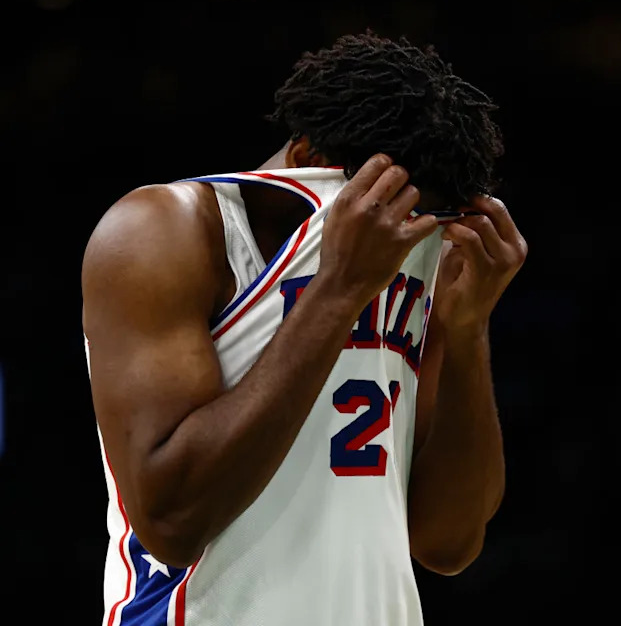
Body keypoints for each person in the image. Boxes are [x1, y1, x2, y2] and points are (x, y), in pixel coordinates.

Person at [81, 32, 526, 625]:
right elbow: (171, 522)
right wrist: (339, 289)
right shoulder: (159, 231)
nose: (401, 230)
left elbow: (447, 545)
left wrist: (468, 332)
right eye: (380, 200)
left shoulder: (411, 254)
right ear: (307, 155)